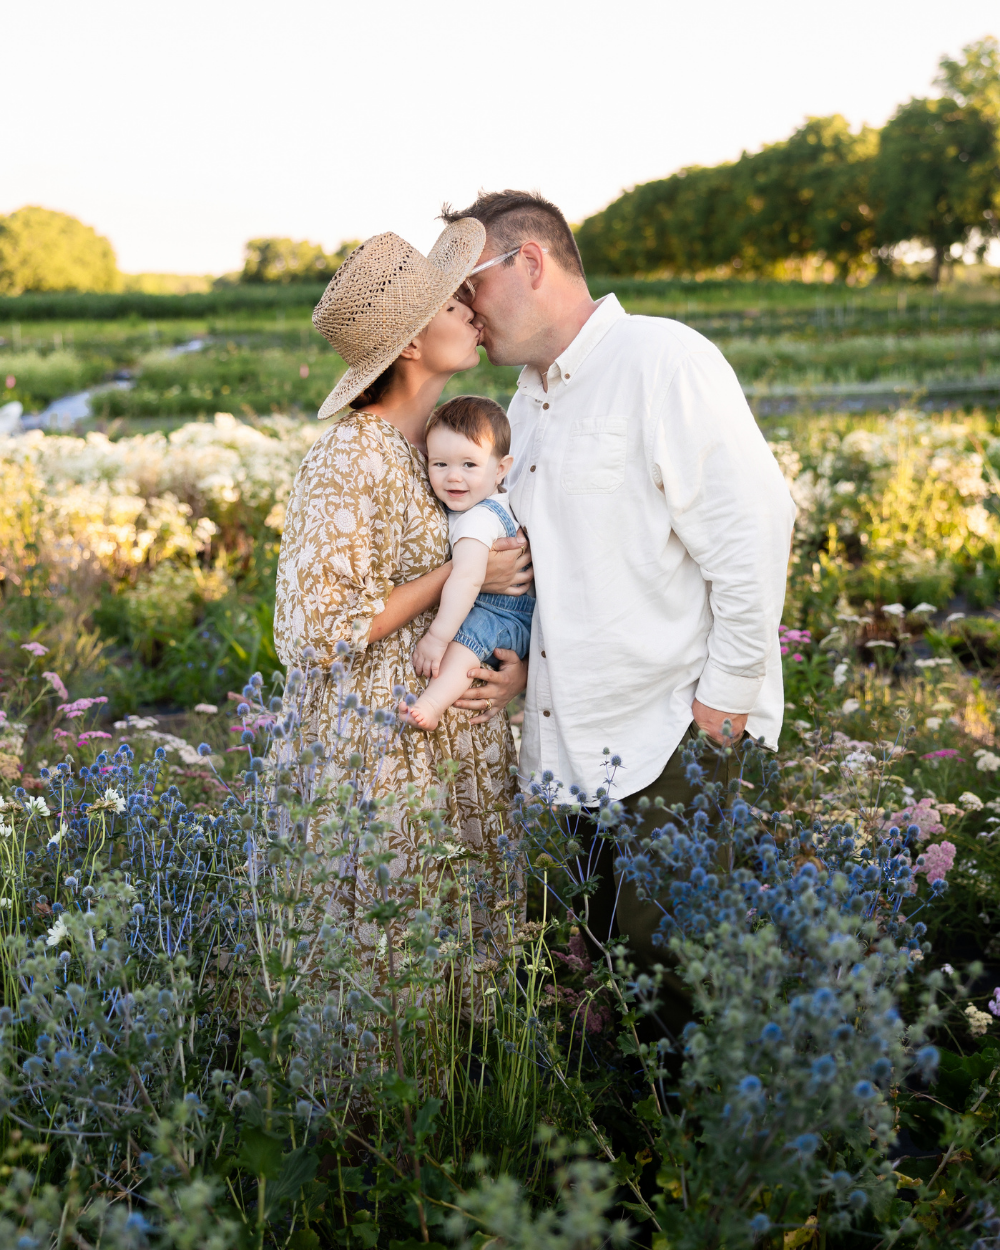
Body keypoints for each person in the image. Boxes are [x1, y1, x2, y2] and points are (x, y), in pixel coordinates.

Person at [440, 190, 797, 971]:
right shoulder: (525, 404)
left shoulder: (664, 361)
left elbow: (754, 531)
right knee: (611, 991)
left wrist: (720, 712)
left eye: (469, 285)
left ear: (529, 261)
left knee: (679, 997)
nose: (462, 309)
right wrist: (524, 671)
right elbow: (570, 570)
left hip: (670, 739)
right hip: (576, 751)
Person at [272, 222, 533, 959]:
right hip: (377, 748)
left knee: (465, 972)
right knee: (386, 963)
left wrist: (510, 663)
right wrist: (461, 571)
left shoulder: (445, 450)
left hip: (454, 737)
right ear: (412, 342)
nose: (473, 312)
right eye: (454, 305)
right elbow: (313, 626)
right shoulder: (349, 457)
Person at [402, 395, 535, 732]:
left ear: (501, 469)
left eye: (469, 465)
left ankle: (432, 703)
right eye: (440, 464)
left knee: (468, 640)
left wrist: (436, 637)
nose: (453, 478)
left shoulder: (478, 519)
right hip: (506, 611)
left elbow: (468, 578)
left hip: (504, 614)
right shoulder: (476, 503)